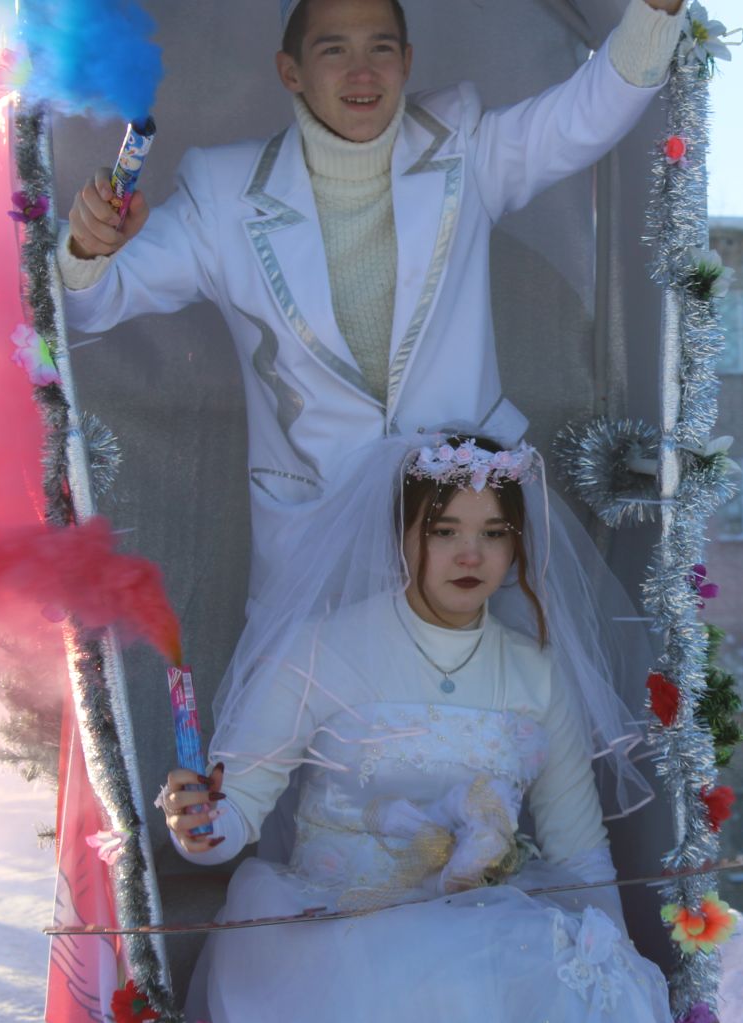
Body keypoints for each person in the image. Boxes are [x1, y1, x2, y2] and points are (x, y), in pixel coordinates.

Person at [136, 435, 743, 1023]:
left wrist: (616, 968)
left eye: (493, 531)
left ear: (519, 546)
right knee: (462, 993)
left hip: (482, 925)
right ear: (404, 537)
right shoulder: (324, 651)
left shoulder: (535, 674)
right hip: (330, 937)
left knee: (595, 986)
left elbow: (580, 845)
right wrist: (198, 825)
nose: (470, 552)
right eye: (445, 529)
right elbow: (236, 815)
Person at [60, 0, 689, 599]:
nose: (361, 72)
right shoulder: (223, 196)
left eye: (380, 48)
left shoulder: (463, 149)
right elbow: (96, 302)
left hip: (467, 534)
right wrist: (89, 248)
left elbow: (586, 114)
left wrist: (657, 11)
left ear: (407, 62)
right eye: (334, 49)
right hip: (315, 546)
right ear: (291, 71)